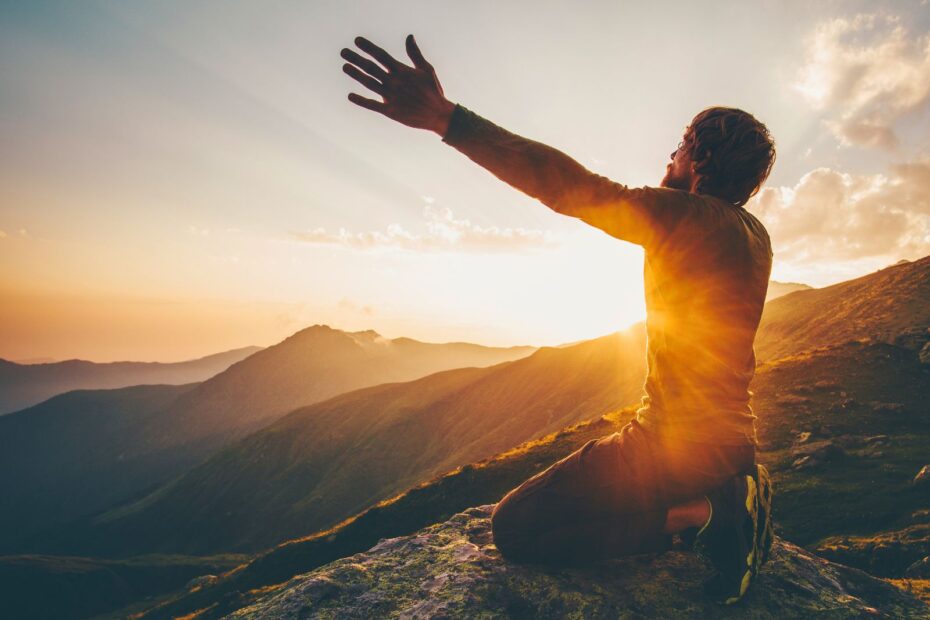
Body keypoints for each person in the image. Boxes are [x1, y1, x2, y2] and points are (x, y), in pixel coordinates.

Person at [340, 34, 776, 604]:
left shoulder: (685, 216)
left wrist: (448, 120)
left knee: (517, 529)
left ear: (701, 159)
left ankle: (704, 515)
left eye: (679, 146)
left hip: (672, 446)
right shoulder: (753, 235)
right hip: (730, 445)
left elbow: (571, 189)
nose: (667, 157)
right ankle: (722, 500)